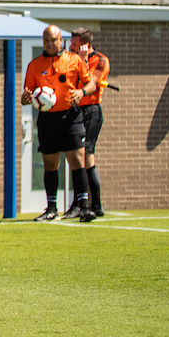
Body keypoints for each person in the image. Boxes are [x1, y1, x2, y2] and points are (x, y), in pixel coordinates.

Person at [23, 24, 97, 223]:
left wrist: (82, 92)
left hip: (71, 116)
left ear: (60, 40)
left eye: (53, 40)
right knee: (50, 164)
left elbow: (91, 84)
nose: (49, 43)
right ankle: (51, 208)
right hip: (47, 119)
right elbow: (26, 94)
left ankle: (82, 206)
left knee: (77, 159)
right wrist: (27, 98)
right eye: (46, 40)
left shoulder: (74, 60)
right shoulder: (34, 65)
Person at [72, 28, 110, 218]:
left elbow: (91, 83)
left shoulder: (100, 61)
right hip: (75, 110)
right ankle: (80, 203)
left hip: (91, 111)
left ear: (85, 45)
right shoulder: (72, 59)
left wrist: (83, 60)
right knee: (77, 154)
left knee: (87, 153)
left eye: (75, 44)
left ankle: (95, 204)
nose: (71, 47)